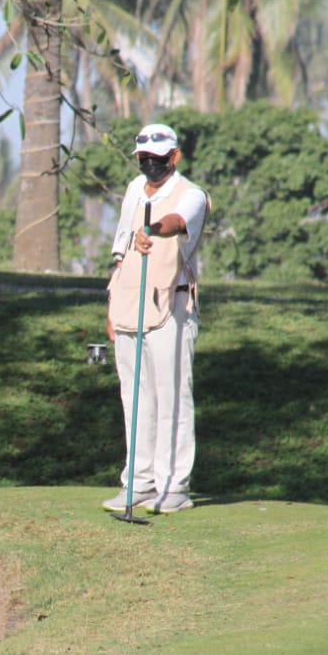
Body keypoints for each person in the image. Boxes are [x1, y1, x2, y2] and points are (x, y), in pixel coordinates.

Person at [102, 123, 209, 514]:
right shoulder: (133, 189)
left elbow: (177, 222)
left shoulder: (192, 195)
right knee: (136, 399)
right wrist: (110, 305)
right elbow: (119, 250)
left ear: (174, 157)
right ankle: (140, 482)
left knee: (172, 396)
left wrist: (153, 229)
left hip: (172, 307)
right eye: (144, 159)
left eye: (158, 159)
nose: (150, 165)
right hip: (129, 304)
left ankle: (174, 486)